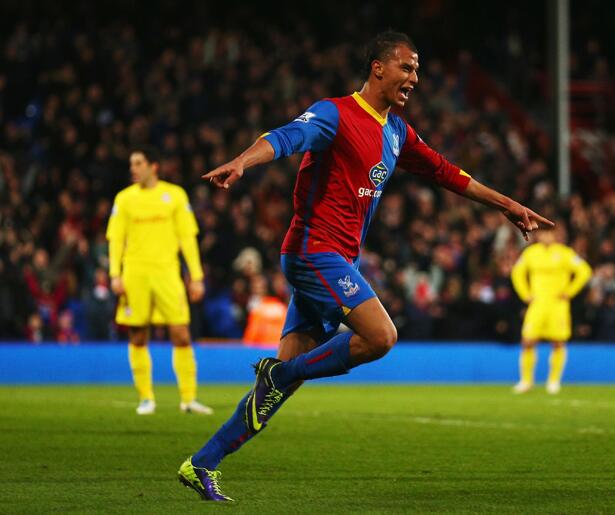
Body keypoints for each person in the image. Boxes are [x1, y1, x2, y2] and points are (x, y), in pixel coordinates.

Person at [177, 31, 554, 501]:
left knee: (281, 384)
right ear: (378, 67)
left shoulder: (396, 131)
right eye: (406, 67)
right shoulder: (336, 113)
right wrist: (243, 161)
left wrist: (507, 204)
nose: (414, 78)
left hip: (337, 259)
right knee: (381, 336)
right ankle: (280, 374)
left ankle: (202, 463)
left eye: (417, 70)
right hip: (313, 252)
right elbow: (286, 137)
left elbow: (446, 172)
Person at [106, 146, 212, 416]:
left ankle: (188, 399)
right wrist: (115, 274)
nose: (133, 168)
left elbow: (187, 238)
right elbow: (116, 239)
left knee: (181, 334)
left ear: (153, 166)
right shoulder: (124, 199)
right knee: (138, 335)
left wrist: (196, 276)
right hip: (135, 274)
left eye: (138, 163)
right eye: (132, 163)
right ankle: (146, 398)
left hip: (167, 273)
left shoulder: (175, 195)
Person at [510, 227, 592, 394]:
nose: (546, 237)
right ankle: (526, 381)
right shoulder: (531, 253)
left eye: (549, 234)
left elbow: (585, 271)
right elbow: (517, 273)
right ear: (539, 235)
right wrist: (525, 294)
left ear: (555, 236)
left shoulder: (565, 253)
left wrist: (569, 292)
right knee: (527, 341)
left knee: (558, 342)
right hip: (537, 304)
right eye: (543, 234)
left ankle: (553, 381)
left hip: (557, 305)